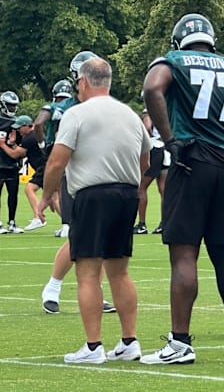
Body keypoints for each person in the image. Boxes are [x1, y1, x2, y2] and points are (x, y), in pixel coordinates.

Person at [140, 13, 224, 365]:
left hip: (191, 161)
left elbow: (151, 88)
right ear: (212, 41)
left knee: (184, 254)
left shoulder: (174, 60)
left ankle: (180, 343)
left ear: (179, 41)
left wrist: (170, 140)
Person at [37, 57, 151, 364]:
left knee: (88, 271)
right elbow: (145, 161)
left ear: (83, 82)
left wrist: (47, 195)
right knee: (120, 270)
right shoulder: (129, 115)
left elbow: (58, 161)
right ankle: (129, 341)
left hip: (93, 194)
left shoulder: (77, 114)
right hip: (127, 194)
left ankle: (92, 346)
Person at [39, 52, 115, 315]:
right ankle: (52, 287)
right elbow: (60, 154)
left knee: (103, 240)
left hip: (104, 177)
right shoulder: (70, 108)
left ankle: (96, 293)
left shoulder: (104, 106)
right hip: (77, 178)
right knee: (78, 237)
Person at [24, 81, 72, 231]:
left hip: (55, 148)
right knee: (66, 187)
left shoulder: (51, 107)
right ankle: (71, 223)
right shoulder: (76, 106)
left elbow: (38, 124)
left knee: (59, 189)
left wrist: (42, 144)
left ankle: (67, 224)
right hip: (75, 148)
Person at [0, 115, 59, 230]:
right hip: (46, 166)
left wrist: (2, 145)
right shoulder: (34, 136)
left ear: (27, 126)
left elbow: (16, 154)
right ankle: (68, 224)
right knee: (54, 197)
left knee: (29, 189)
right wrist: (13, 144)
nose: (18, 131)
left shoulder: (29, 138)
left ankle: (38, 218)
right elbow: (22, 152)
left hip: (43, 167)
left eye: (19, 128)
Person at [132, 108, 167, 235]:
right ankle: (164, 224)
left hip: (155, 147)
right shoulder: (170, 106)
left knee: (141, 187)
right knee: (164, 189)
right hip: (167, 148)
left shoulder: (150, 109)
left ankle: (142, 224)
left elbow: (147, 126)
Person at [0, 91, 24, 234]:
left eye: (14, 106)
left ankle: (12, 222)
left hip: (12, 162)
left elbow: (20, 144)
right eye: (10, 106)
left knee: (13, 194)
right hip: (0, 162)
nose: (13, 109)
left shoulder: (17, 122)